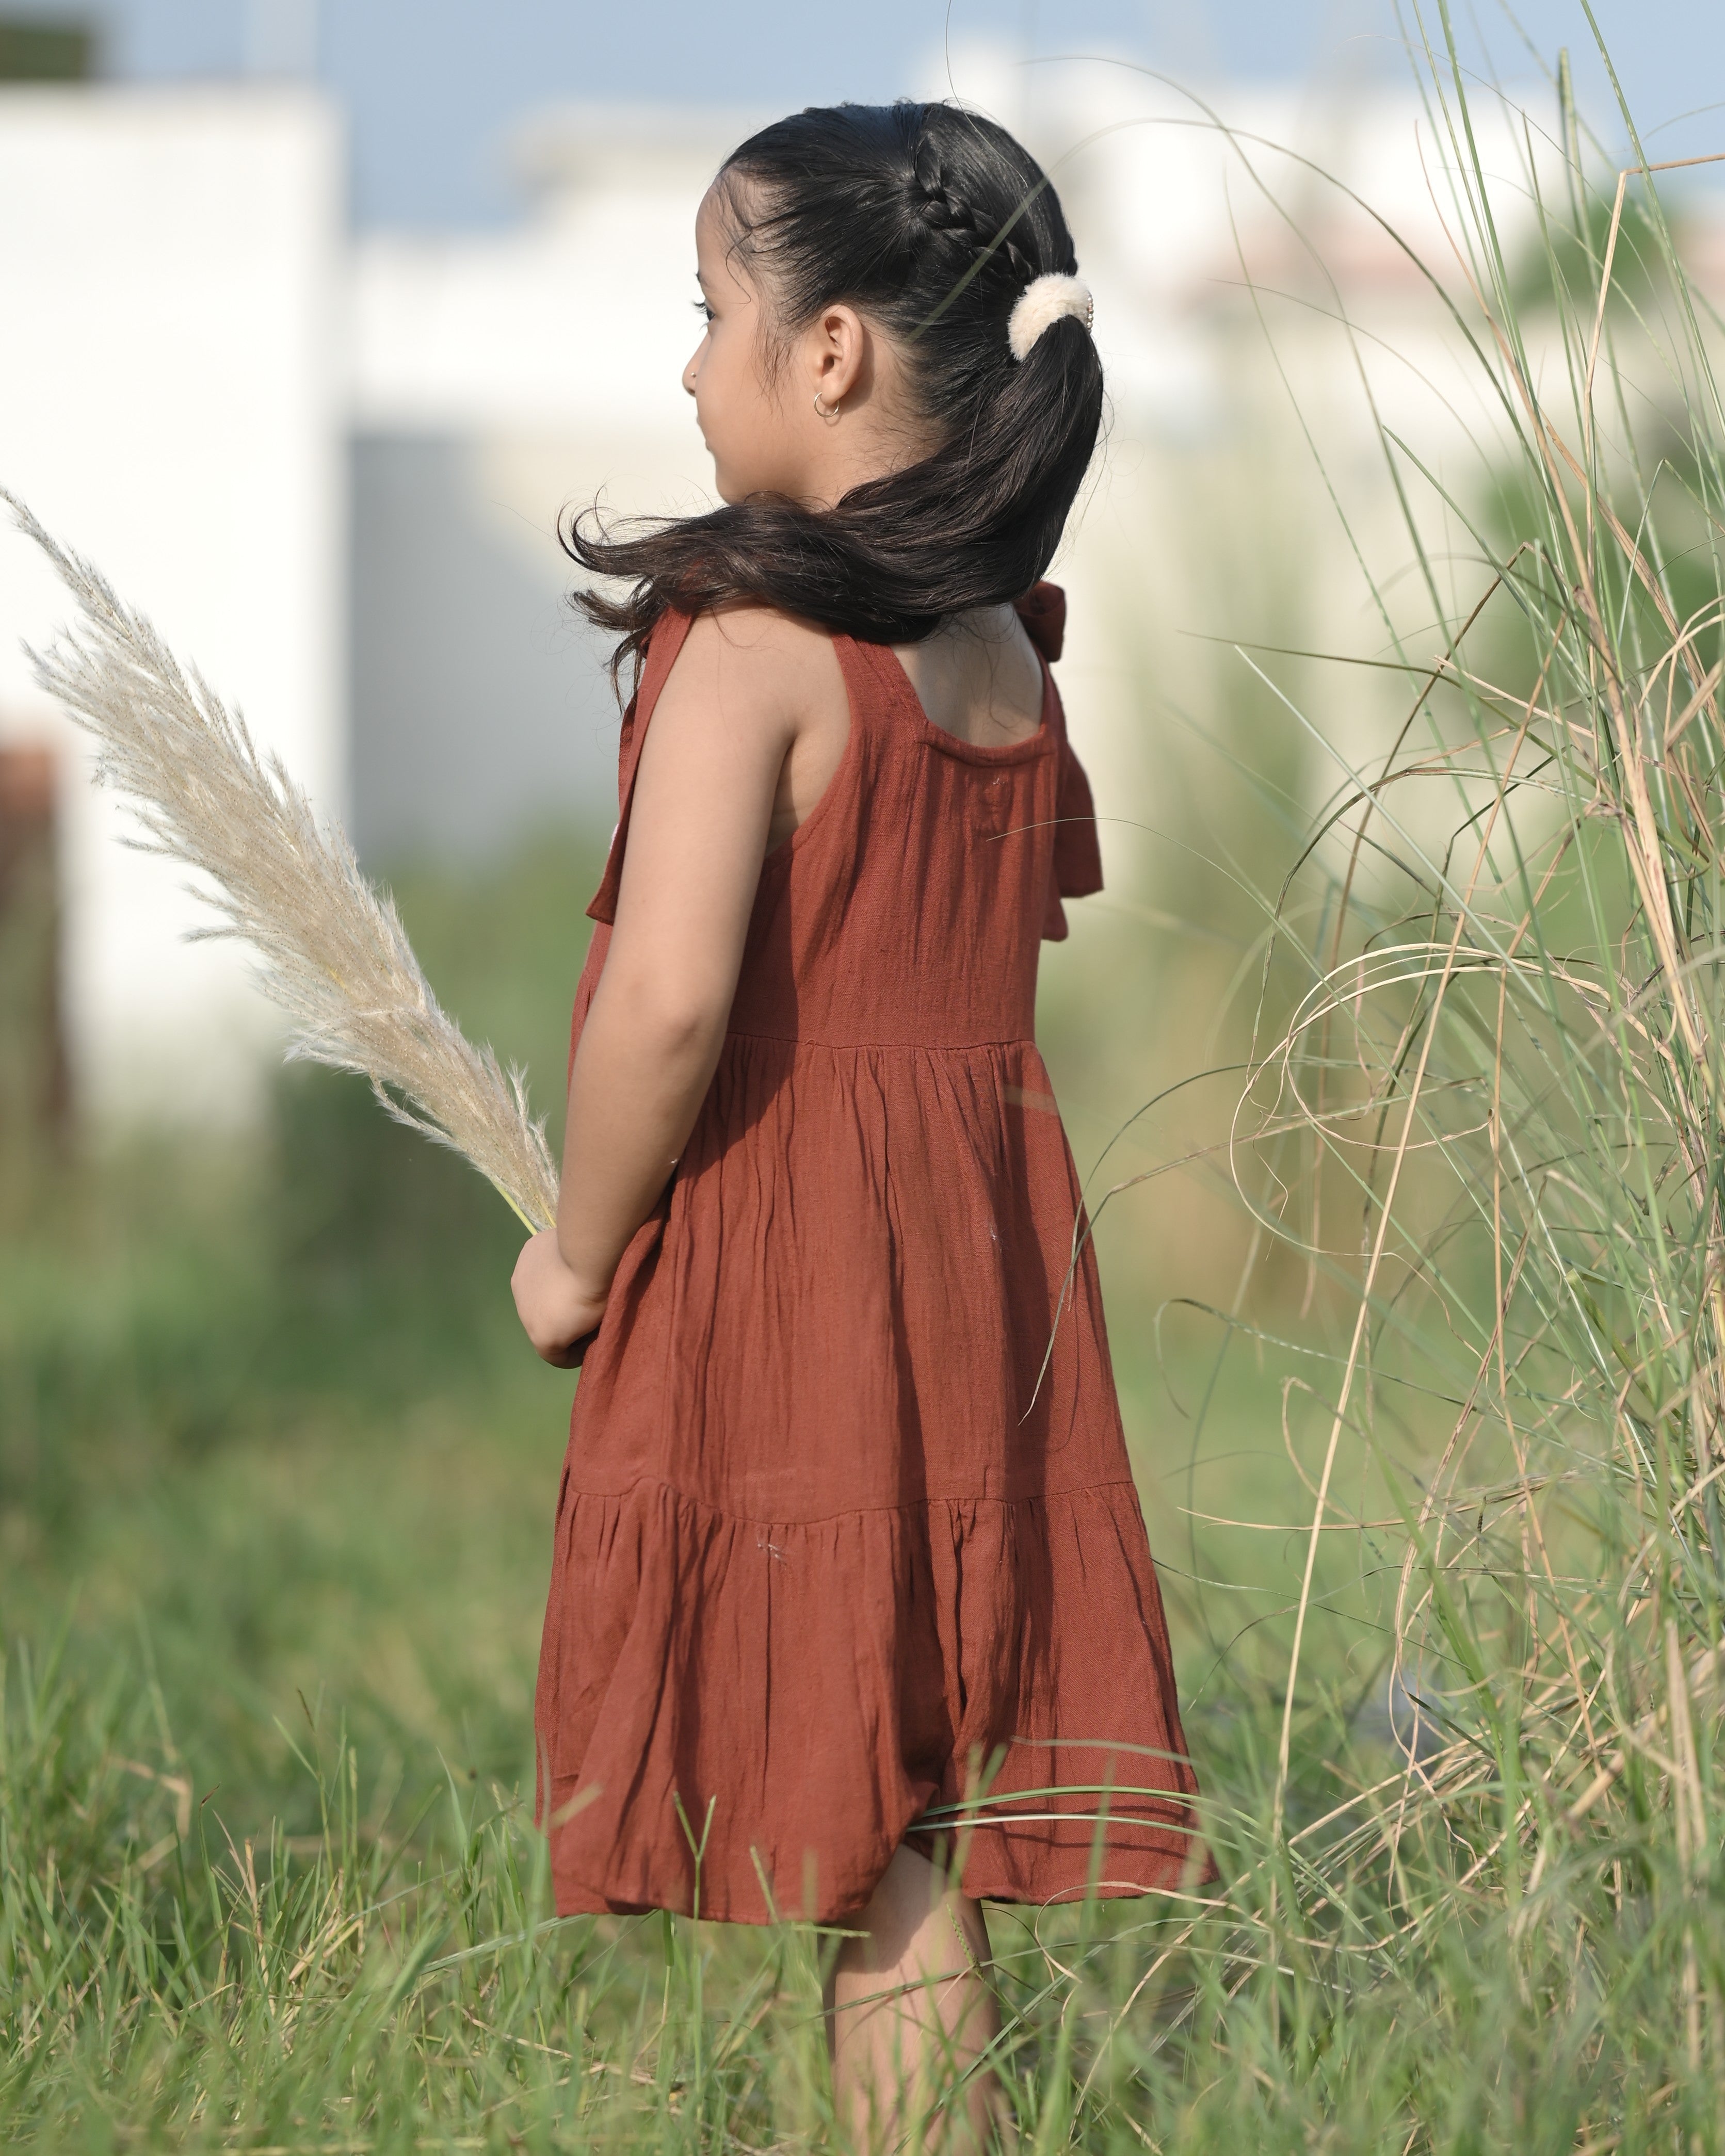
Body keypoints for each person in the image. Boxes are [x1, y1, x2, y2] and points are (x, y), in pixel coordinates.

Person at [510, 99, 1205, 2152]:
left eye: (705, 311)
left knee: (867, 1808)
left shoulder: (753, 641)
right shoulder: (997, 650)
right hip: (982, 1274)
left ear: (827, 350)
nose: (686, 368)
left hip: (804, 1268)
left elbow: (669, 1000)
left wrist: (576, 1246)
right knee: (911, 1789)